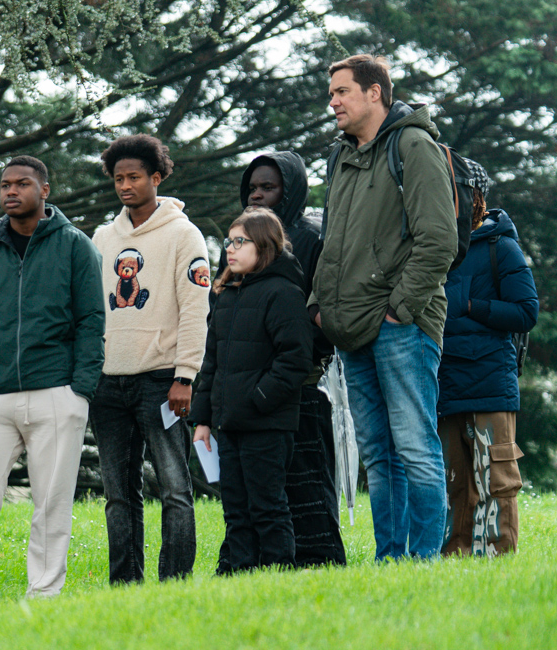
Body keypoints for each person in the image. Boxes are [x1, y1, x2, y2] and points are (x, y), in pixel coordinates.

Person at [0, 156, 105, 612]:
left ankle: (44, 596)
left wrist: (80, 390)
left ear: (44, 190)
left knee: (52, 503)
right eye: (5, 185)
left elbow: (92, 320)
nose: (11, 191)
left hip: (56, 392)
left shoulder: (75, 246)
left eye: (22, 184)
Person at [311, 54, 455, 560]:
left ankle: (424, 560)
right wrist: (318, 304)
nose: (333, 102)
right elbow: (331, 240)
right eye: (331, 93)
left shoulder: (414, 146)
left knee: (414, 447)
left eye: (342, 91)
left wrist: (400, 308)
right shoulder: (340, 156)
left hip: (403, 326)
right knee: (378, 453)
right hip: (350, 327)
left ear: (375, 92)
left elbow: (439, 240)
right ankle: (391, 559)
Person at [89, 135, 209, 584]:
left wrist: (185, 375)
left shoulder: (184, 235)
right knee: (118, 495)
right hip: (108, 382)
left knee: (175, 488)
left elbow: (196, 309)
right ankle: (125, 584)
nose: (125, 185)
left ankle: (174, 582)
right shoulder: (102, 238)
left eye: (134, 177)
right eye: (118, 178)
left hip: (162, 380)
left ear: (156, 178)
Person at [237, 153, 346, 567]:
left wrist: (294, 358)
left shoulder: (313, 238)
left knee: (307, 478)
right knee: (259, 484)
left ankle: (318, 562)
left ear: (291, 190)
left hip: (301, 382)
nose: (258, 195)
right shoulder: (241, 242)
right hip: (249, 382)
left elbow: (323, 310)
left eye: (269, 187)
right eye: (253, 188)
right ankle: (261, 562)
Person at [190, 208, 312, 571]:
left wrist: (258, 399)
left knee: (267, 506)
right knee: (235, 508)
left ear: (264, 245)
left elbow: (295, 359)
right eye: (229, 241)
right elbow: (211, 363)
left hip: (267, 424)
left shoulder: (284, 293)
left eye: (240, 242)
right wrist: (203, 420)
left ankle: (278, 573)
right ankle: (239, 575)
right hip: (229, 426)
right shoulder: (227, 295)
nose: (230, 248)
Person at [438, 161, 538, 556]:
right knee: (453, 482)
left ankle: (498, 560)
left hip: (490, 384)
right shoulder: (432, 247)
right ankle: (454, 562)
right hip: (443, 383)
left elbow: (526, 312)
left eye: (454, 191)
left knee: (496, 480)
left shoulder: (501, 246)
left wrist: (470, 306)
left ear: (475, 196)